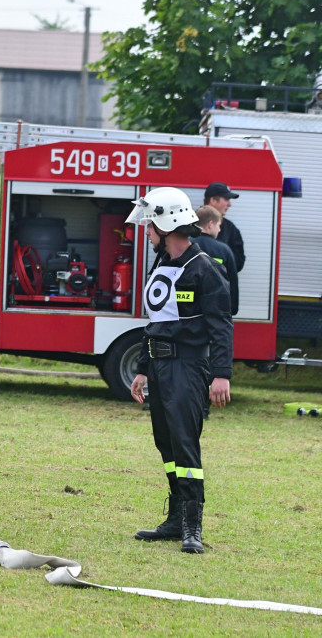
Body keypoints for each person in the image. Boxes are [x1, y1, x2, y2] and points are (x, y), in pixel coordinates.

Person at [127, 187, 233, 555]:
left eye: (150, 225)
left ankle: (192, 526)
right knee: (166, 443)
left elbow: (221, 325)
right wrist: (142, 369)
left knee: (185, 445)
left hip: (187, 368)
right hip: (159, 366)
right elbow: (155, 323)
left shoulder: (203, 269)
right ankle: (174, 521)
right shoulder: (163, 263)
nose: (146, 231)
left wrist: (221, 375)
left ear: (166, 224)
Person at [194, 205, 239, 316]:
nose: (219, 230)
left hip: (186, 311)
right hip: (215, 312)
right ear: (210, 224)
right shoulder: (224, 250)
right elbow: (232, 283)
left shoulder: (183, 244)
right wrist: (232, 309)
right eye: (218, 225)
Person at [204, 181, 245, 272]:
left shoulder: (231, 230)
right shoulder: (190, 224)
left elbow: (238, 263)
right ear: (213, 200)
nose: (230, 204)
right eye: (226, 199)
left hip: (220, 285)